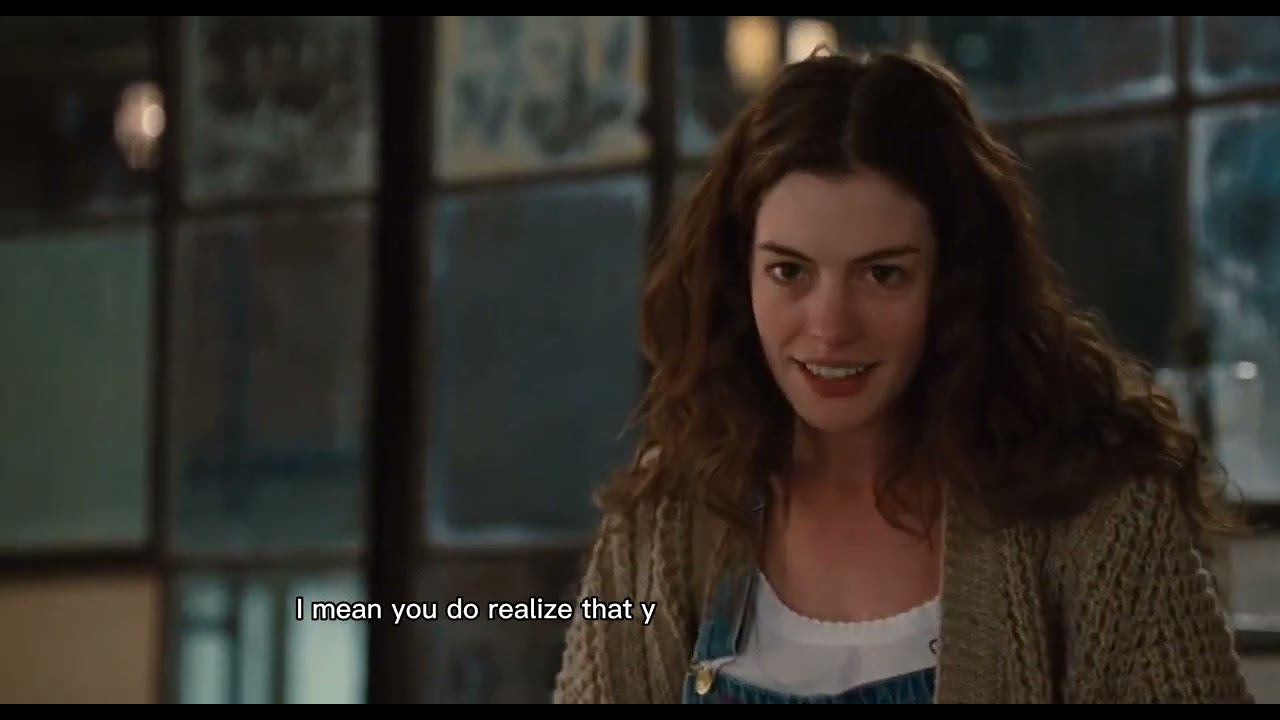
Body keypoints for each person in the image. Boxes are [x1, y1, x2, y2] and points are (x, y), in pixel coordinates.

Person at [552, 47, 1255, 704]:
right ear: (740, 279)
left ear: (955, 282)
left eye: (882, 274)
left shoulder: (1099, 520)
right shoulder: (661, 527)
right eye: (789, 271)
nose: (830, 326)